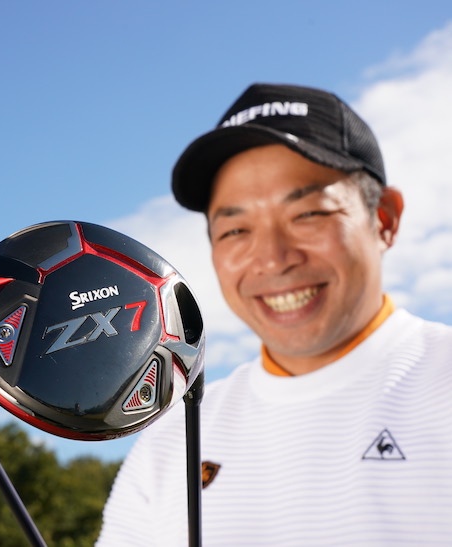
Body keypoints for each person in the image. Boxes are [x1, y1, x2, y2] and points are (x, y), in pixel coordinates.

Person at [97, 83, 452, 546]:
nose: (272, 258)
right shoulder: (169, 442)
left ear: (384, 218)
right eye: (236, 230)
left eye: (308, 214)